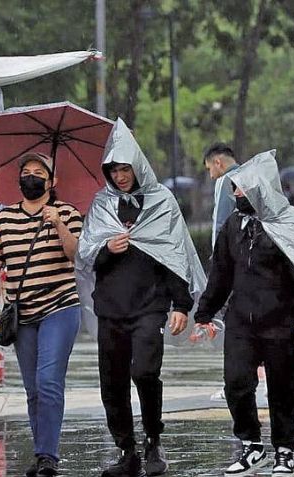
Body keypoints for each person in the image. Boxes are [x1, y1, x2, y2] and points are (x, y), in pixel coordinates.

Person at [76, 119, 206, 477]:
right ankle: (126, 449)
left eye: (125, 169)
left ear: (137, 166)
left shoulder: (162, 201)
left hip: (150, 305)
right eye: (114, 170)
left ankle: (153, 439)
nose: (120, 177)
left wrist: (181, 305)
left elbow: (174, 253)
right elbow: (86, 254)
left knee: (145, 372)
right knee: (112, 380)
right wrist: (107, 248)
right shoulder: (101, 204)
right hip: (111, 307)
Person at [194, 150, 294, 477]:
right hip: (242, 322)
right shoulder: (232, 226)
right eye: (234, 188)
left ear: (259, 188)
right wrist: (204, 311)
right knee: (236, 383)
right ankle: (251, 445)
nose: (236, 194)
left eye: (241, 188)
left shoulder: (288, 223)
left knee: (284, 389)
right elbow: (221, 273)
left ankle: (284, 451)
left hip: (282, 322)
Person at [0, 152, 83, 477]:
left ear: (52, 181)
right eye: (26, 172)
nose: (31, 177)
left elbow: (76, 254)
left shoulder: (67, 212)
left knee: (48, 381)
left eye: (39, 172)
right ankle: (41, 451)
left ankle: (49, 456)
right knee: (33, 388)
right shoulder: (5, 219)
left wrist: (58, 223)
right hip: (22, 314)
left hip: (60, 307)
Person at [203, 143, 240, 249]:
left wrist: (216, 252)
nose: (211, 176)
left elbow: (221, 221)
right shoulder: (247, 176)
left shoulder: (225, 180)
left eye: (209, 169)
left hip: (231, 250)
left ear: (217, 162)